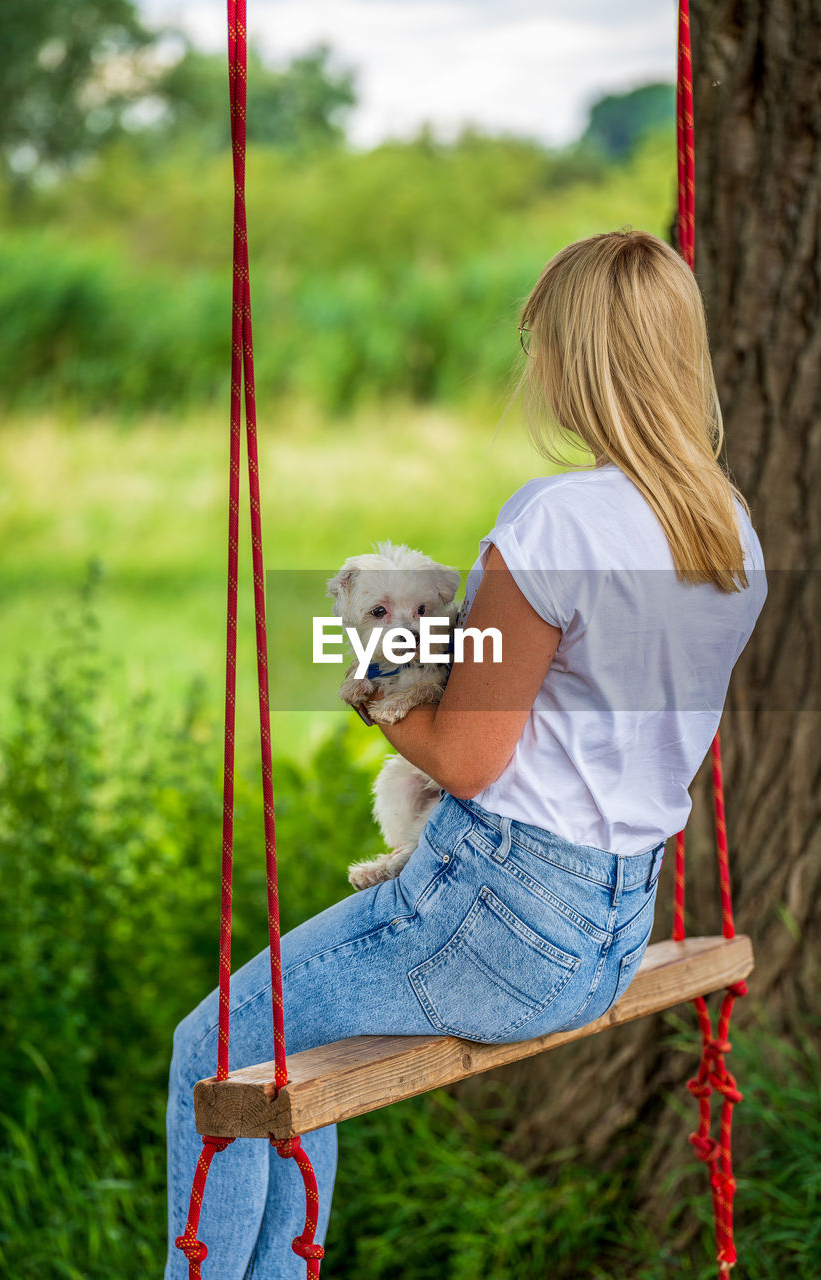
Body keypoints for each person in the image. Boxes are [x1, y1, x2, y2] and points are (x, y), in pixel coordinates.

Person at [165, 228, 766, 1278]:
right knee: (284, 1060)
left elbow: (469, 756)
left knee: (210, 1049)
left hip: (498, 922)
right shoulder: (726, 524)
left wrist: (374, 690)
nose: (528, 364)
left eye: (536, 341)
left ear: (576, 358)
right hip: (613, 927)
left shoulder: (554, 520)